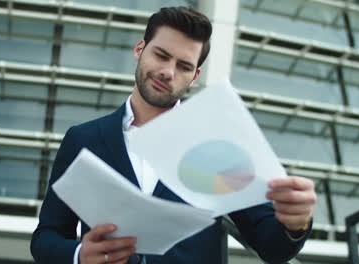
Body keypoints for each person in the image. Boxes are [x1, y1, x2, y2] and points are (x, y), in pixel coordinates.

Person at [31, 6, 316, 264]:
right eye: (161, 55)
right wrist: (79, 256)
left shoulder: (216, 144)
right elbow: (47, 236)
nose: (168, 72)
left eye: (184, 66)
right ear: (139, 49)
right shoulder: (84, 140)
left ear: (194, 76)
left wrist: (296, 223)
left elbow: (272, 246)